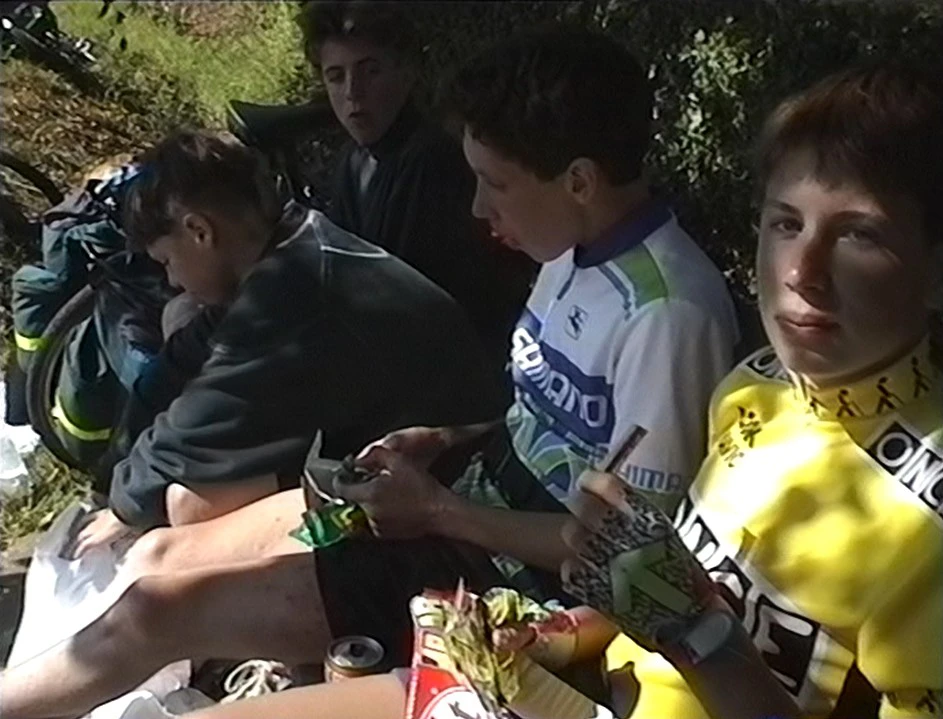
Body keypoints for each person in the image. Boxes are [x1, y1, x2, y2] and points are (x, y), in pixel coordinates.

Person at [0, 27, 737, 718]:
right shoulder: (570, 251)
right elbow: (536, 421)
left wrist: (440, 512)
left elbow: (633, 559)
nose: (477, 205)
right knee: (159, 553)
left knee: (149, 615)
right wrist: (440, 438)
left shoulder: (668, 315)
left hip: (510, 582)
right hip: (459, 495)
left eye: (495, 183)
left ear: (577, 180)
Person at [171, 60, 943, 719]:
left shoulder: (925, 530)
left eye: (858, 234)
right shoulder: (758, 387)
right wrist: (555, 635)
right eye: (784, 224)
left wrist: (696, 636)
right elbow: (666, 594)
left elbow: (691, 622)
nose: (801, 273)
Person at [67, 128, 505, 549]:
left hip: (452, 478)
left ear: (200, 231)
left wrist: (123, 505)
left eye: (166, 261)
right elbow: (179, 364)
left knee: (190, 506)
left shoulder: (292, 295)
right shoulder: (288, 247)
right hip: (386, 452)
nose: (172, 280)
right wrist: (110, 479)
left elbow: (201, 422)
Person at [300, 0, 534, 371]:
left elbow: (410, 302)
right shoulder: (353, 160)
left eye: (370, 71)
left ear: (407, 71)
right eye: (336, 76)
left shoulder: (434, 160)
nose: (353, 92)